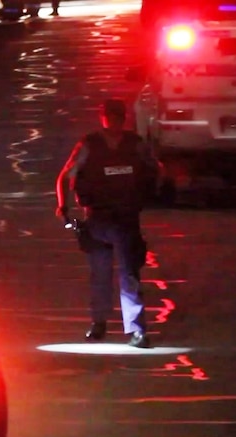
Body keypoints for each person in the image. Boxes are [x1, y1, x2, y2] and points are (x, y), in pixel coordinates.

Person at [55, 98, 160, 348]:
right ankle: (108, 324)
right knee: (106, 274)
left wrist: (64, 208)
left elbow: (156, 171)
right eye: (110, 116)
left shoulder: (133, 145)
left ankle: (125, 327)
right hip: (99, 219)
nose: (112, 121)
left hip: (122, 219)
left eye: (115, 116)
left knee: (125, 274)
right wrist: (63, 207)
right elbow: (65, 176)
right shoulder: (93, 145)